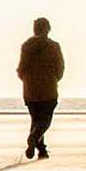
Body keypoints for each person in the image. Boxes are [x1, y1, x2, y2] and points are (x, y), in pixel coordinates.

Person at [16, 17, 65, 159]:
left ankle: (41, 150)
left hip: (30, 90)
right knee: (44, 121)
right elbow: (60, 67)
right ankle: (34, 137)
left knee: (35, 119)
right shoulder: (54, 46)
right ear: (48, 29)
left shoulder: (26, 46)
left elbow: (21, 69)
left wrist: (27, 81)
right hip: (48, 88)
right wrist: (55, 78)